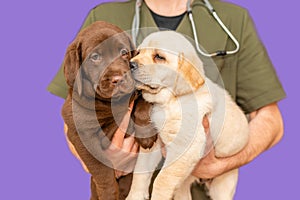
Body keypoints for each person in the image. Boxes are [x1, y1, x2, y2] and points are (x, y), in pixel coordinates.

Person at [48, 0, 286, 199]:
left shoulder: (234, 19)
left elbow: (271, 120)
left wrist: (219, 164)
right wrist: (105, 161)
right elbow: (73, 112)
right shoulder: (105, 15)